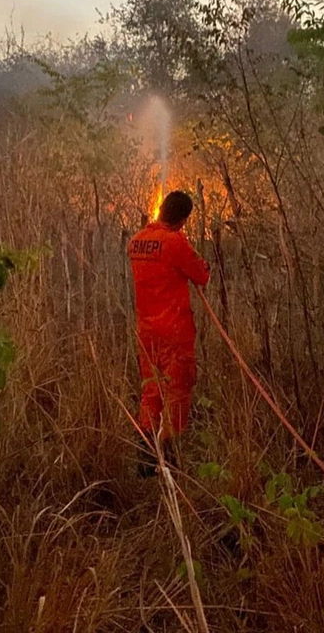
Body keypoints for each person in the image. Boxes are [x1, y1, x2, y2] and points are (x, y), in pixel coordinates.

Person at [128, 191, 210, 475]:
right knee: (177, 392)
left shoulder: (136, 242)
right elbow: (202, 275)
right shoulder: (175, 242)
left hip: (147, 332)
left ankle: (146, 459)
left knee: (151, 390)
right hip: (175, 332)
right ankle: (171, 459)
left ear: (161, 209)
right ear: (183, 219)